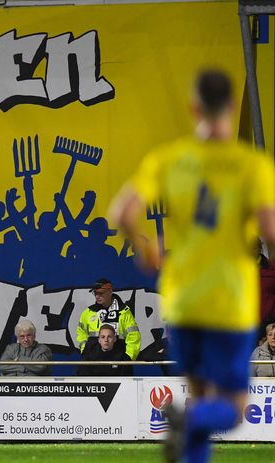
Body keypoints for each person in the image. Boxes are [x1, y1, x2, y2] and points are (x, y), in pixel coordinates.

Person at [109, 69, 275, 463]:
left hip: (183, 300)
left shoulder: (169, 159)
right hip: (228, 300)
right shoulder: (250, 165)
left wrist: (144, 250)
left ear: (193, 107)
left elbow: (122, 212)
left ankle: (191, 418)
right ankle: (190, 416)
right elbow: (271, 230)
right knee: (232, 408)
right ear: (232, 108)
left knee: (199, 391)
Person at [77, 278, 141, 361]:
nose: (97, 296)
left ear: (110, 291)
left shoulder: (124, 311)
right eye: (95, 293)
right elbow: (81, 334)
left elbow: (134, 336)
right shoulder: (88, 312)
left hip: (118, 361)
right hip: (93, 361)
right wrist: (85, 351)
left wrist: (128, 358)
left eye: (101, 293)